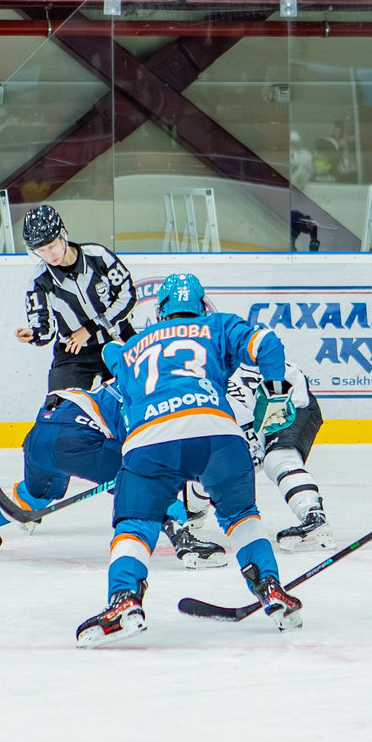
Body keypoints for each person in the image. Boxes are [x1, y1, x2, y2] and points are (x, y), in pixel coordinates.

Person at [79, 274, 300, 645]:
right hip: (218, 434)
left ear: (161, 310)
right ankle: (272, 587)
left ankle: (123, 601)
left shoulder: (133, 346)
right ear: (201, 306)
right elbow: (266, 342)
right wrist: (275, 390)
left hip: (152, 439)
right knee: (242, 516)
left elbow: (114, 369)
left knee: (136, 521)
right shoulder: (217, 325)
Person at [171, 356, 333, 557]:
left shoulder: (209, 396)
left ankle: (313, 515)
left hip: (291, 401)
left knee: (278, 458)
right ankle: (194, 508)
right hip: (260, 405)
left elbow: (251, 445)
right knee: (213, 465)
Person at [0, 380, 123, 552]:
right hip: (76, 435)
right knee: (137, 479)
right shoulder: (141, 389)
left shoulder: (125, 378)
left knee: (37, 494)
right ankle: (132, 541)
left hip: (40, 433)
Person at [15, 204, 136, 395]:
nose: (49, 255)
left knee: (142, 395)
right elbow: (44, 329)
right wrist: (34, 334)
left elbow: (127, 295)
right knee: (59, 409)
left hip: (119, 340)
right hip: (74, 352)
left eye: (52, 246)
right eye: (41, 251)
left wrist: (90, 328)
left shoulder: (98, 257)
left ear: (63, 235)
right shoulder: (39, 281)